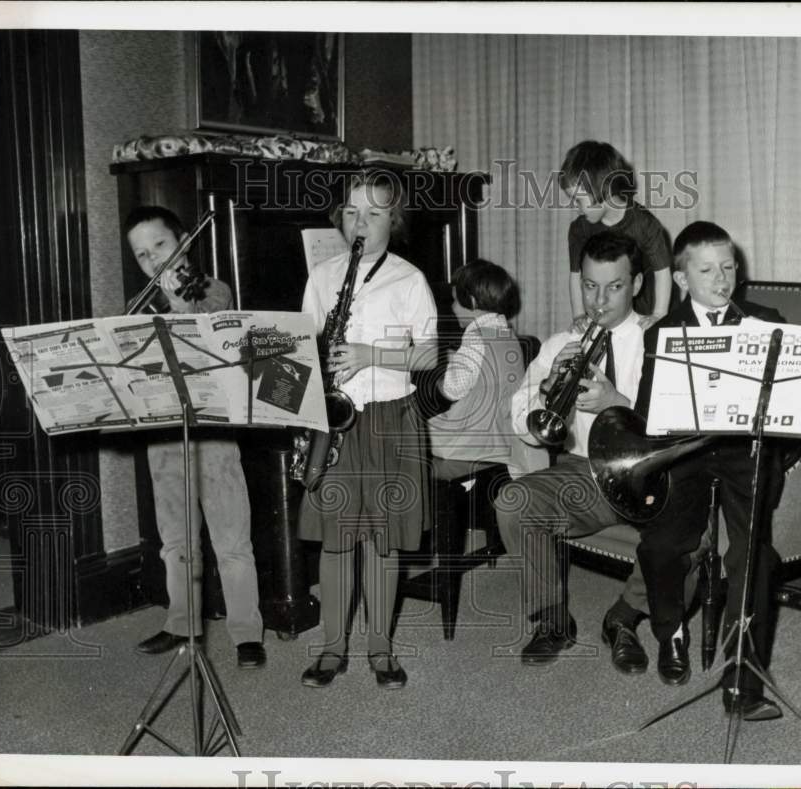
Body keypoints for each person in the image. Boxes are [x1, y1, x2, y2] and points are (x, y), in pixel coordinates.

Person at [635, 220, 786, 721]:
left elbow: (790, 403)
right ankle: (670, 632)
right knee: (659, 545)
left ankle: (742, 681)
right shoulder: (660, 333)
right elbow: (647, 415)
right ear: (681, 279)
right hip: (688, 457)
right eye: (707, 270)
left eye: (728, 267)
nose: (722, 279)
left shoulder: (768, 322)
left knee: (752, 556)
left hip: (747, 454)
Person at [298, 170, 438, 690]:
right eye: (352, 211)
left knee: (382, 539)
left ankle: (380, 647)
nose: (361, 222)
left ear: (392, 220)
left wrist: (368, 354)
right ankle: (333, 647)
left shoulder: (409, 279)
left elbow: (429, 354)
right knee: (335, 539)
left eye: (375, 213)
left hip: (388, 417)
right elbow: (303, 342)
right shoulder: (323, 275)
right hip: (336, 420)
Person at [495, 232, 651, 666]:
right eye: (589, 285)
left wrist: (617, 403)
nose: (598, 300)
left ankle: (624, 616)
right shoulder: (560, 344)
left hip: (650, 474)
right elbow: (521, 418)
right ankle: (553, 621)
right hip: (587, 474)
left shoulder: (658, 339)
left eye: (614, 287)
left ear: (636, 285)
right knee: (513, 502)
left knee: (697, 534)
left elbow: (677, 426)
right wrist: (548, 390)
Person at [124, 205, 266, 670]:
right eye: (142, 255)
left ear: (184, 241)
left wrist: (180, 305)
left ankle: (247, 631)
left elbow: (210, 339)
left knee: (231, 536)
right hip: (164, 429)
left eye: (160, 246)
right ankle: (182, 621)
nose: (153, 261)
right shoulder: (142, 301)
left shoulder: (213, 289)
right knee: (175, 539)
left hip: (212, 427)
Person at [428, 259, 548, 478]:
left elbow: (453, 389)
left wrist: (444, 370)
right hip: (504, 431)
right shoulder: (507, 335)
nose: (452, 307)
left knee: (418, 433)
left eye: (455, 301)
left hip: (474, 435)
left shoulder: (475, 338)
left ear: (472, 302)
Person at [560, 140, 674, 330]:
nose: (574, 207)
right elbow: (576, 275)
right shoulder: (579, 229)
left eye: (578, 200)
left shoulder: (644, 223)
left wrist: (659, 315)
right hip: (608, 306)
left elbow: (662, 273)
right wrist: (579, 315)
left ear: (603, 191)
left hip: (647, 304)